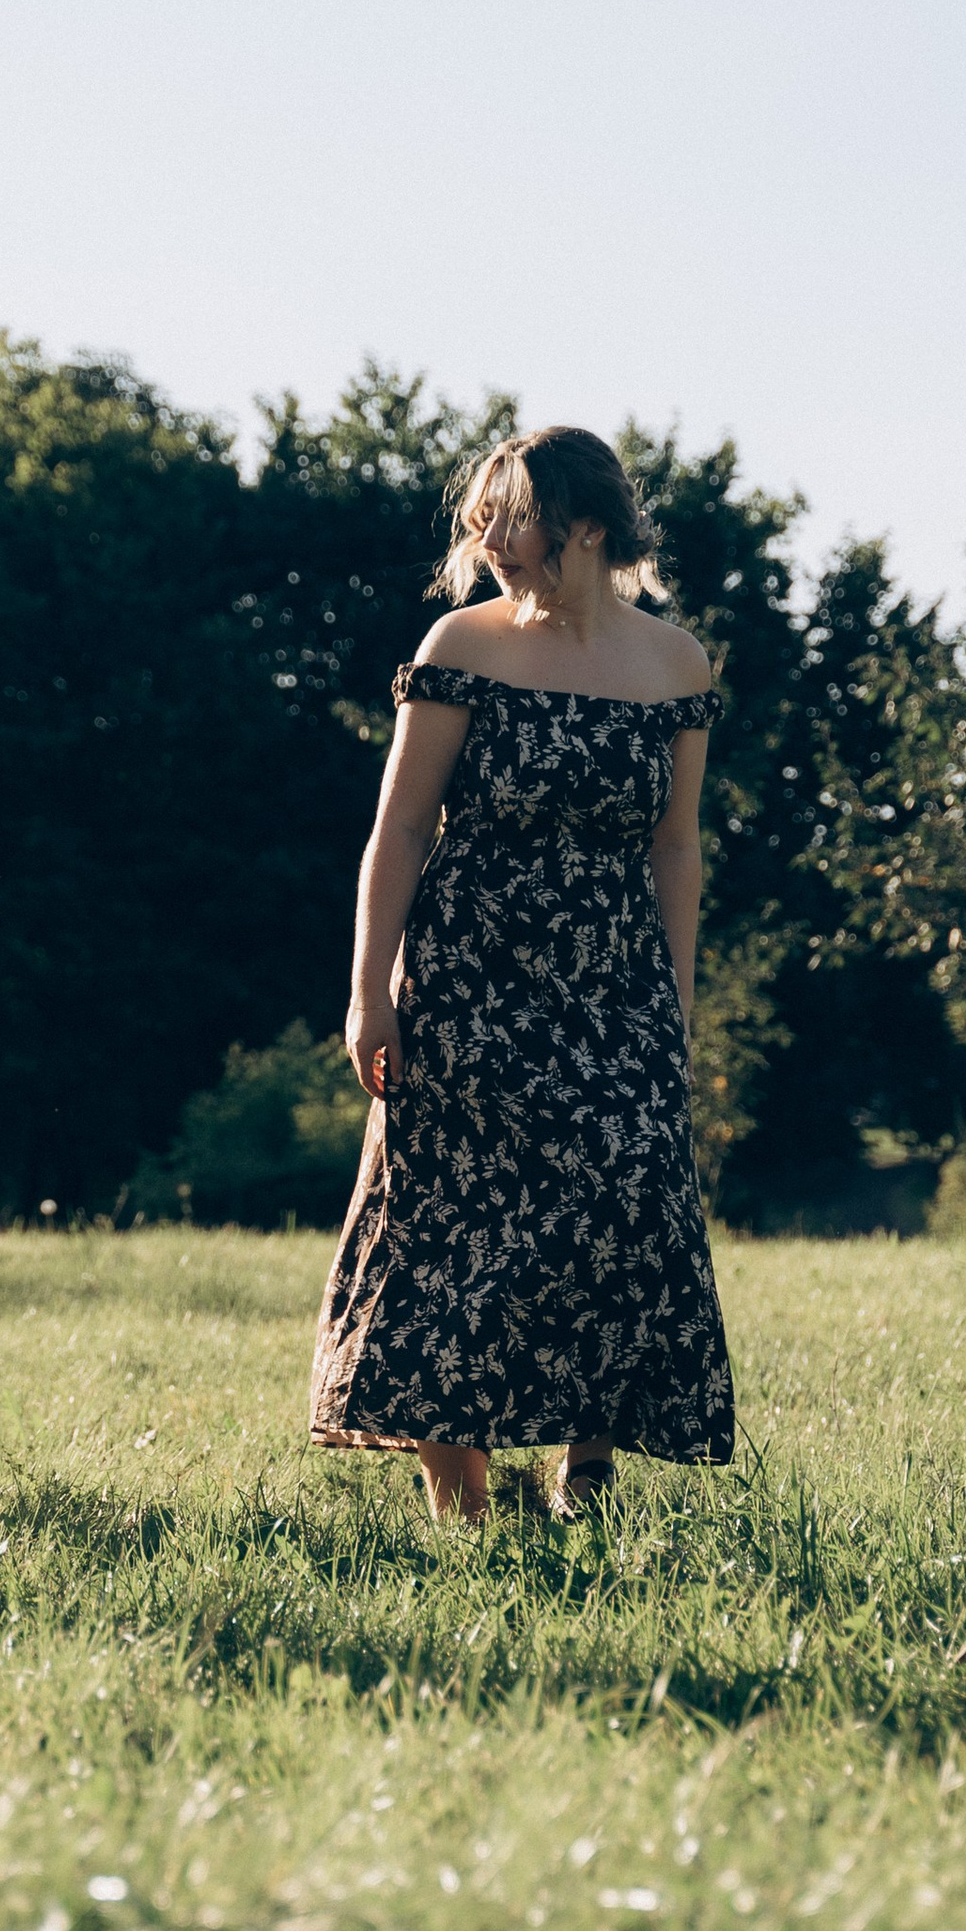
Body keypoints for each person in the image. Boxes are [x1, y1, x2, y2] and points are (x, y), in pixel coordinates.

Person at [308, 425, 736, 1522]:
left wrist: (673, 1000)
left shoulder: (676, 660)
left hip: (612, 977)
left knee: (620, 1200)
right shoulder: (462, 643)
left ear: (583, 525)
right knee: (451, 1222)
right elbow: (399, 830)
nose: (485, 536)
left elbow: (675, 844)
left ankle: (585, 1465)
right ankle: (464, 1501)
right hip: (466, 977)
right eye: (480, 516)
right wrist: (369, 992)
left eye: (510, 515)